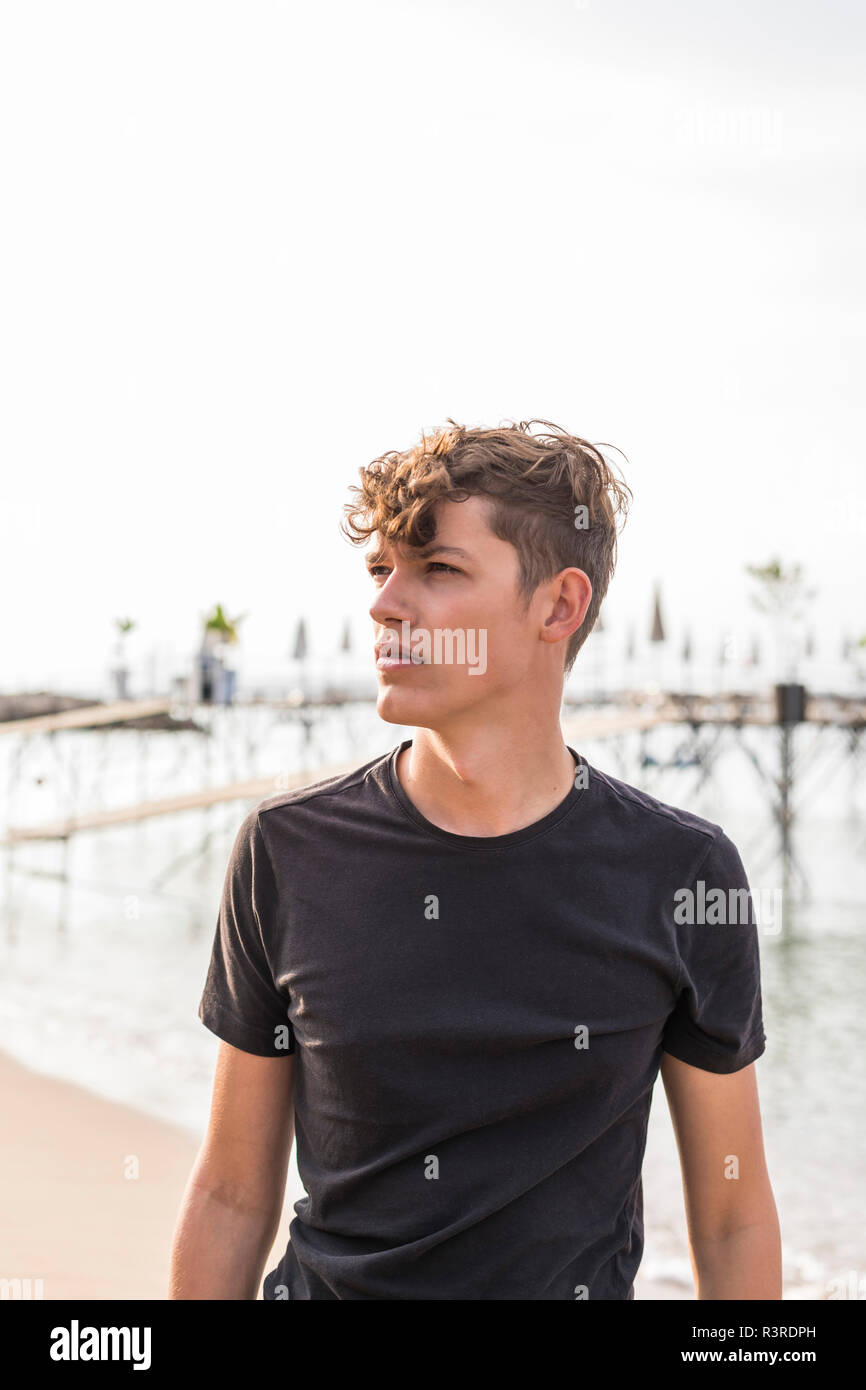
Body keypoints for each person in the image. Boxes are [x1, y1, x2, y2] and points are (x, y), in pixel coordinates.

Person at [169, 418, 780, 1300]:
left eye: (437, 569)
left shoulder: (683, 874)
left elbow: (734, 1215)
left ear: (558, 607)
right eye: (381, 570)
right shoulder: (287, 850)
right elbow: (230, 1192)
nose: (384, 603)